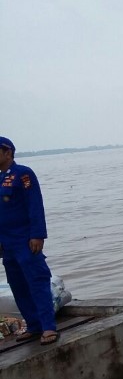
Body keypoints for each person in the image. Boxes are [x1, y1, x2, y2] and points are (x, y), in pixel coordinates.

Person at [0, 136, 58, 345]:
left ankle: (48, 327)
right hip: (7, 244)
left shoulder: (22, 174)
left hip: (25, 240)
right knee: (18, 285)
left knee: (37, 281)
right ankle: (33, 326)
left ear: (8, 152)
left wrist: (37, 234)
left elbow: (35, 205)